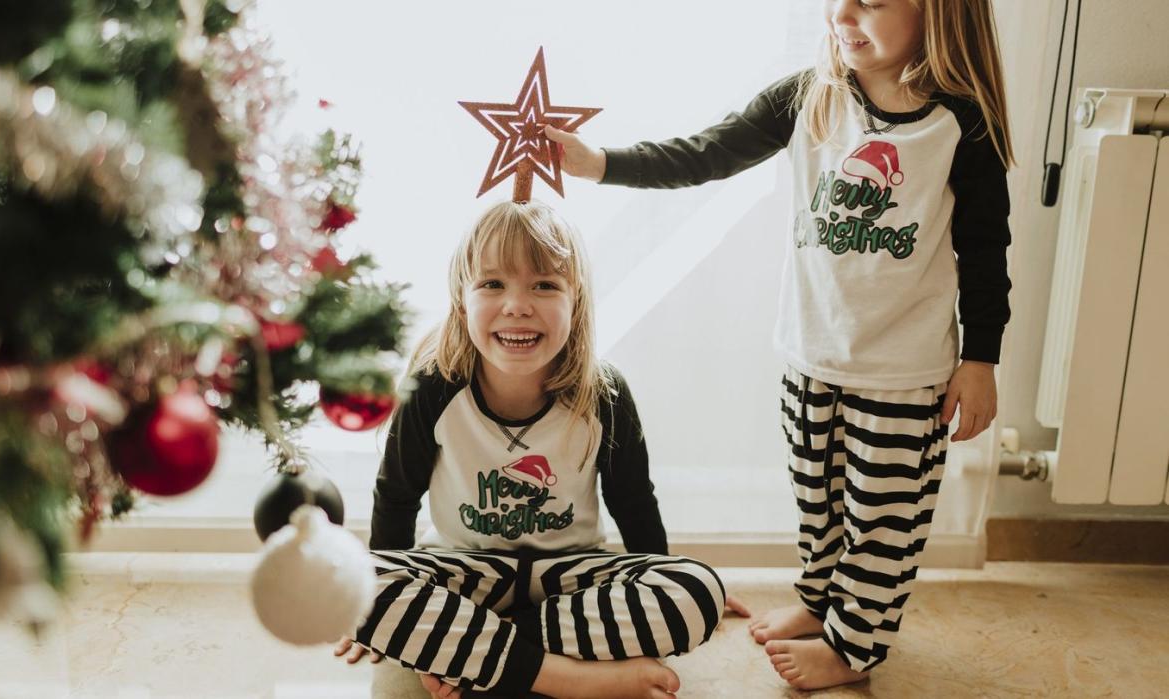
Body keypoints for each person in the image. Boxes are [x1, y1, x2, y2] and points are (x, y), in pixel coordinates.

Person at [544, 0, 1012, 690]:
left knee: (880, 520)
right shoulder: (808, 97)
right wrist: (601, 163)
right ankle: (821, 601)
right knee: (817, 503)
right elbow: (707, 152)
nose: (844, 14)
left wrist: (982, 359)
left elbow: (985, 249)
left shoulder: (959, 123)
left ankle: (855, 647)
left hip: (903, 374)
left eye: (872, 2)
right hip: (809, 356)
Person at [335, 200, 731, 698]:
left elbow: (633, 501)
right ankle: (568, 679)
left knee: (699, 590)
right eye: (493, 283)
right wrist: (379, 610)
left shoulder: (602, 393)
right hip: (464, 572)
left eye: (544, 285)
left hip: (571, 579)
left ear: (576, 301)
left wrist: (659, 577)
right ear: (462, 301)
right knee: (354, 585)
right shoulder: (434, 386)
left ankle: (471, 655)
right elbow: (394, 499)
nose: (517, 305)